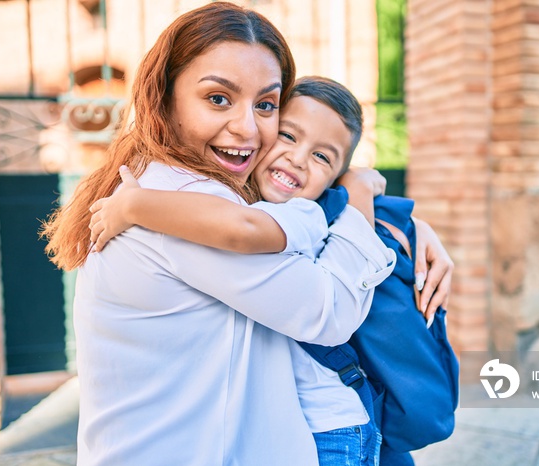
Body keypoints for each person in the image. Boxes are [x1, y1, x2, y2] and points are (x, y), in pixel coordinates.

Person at [42, 4, 399, 466]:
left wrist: (405, 224)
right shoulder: (183, 205)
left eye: (266, 105)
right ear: (164, 97)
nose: (248, 128)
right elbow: (327, 310)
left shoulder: (166, 188)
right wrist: (358, 198)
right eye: (218, 99)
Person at [87, 76, 454, 466]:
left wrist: (133, 206)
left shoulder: (304, 214)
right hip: (308, 426)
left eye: (322, 157)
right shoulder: (265, 206)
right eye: (289, 137)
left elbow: (242, 229)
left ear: (334, 180)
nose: (298, 159)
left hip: (330, 428)